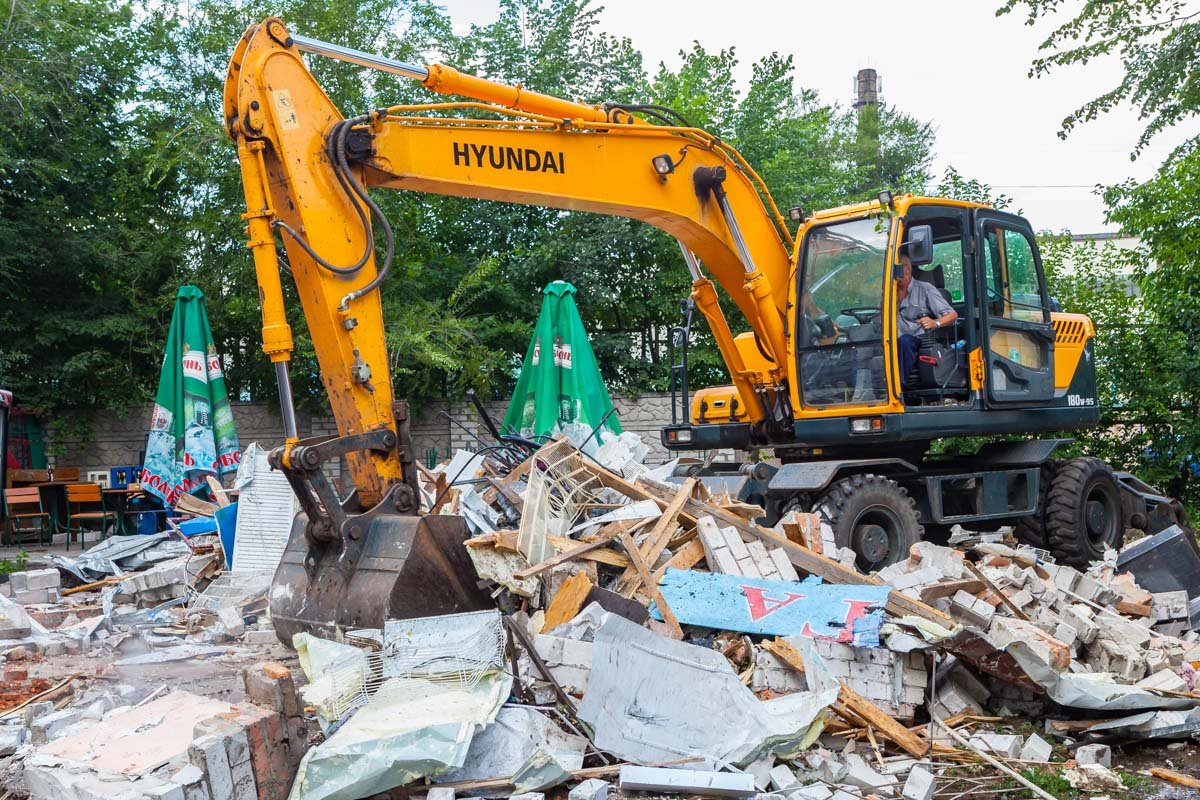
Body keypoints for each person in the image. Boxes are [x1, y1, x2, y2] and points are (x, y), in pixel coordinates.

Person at [896, 253, 957, 386]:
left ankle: (898, 387)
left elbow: (952, 315)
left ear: (907, 269)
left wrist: (935, 322)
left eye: (894, 269)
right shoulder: (888, 293)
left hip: (916, 337)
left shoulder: (925, 289)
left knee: (905, 341)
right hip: (889, 339)